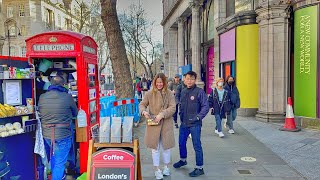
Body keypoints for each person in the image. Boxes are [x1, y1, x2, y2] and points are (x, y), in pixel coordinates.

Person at [39, 75, 78, 180]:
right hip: (63, 135)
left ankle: (54, 175)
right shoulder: (67, 97)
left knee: (54, 157)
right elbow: (75, 113)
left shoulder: (42, 97)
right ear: (63, 85)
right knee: (60, 162)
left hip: (46, 134)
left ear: (51, 84)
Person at [139, 73, 176, 180]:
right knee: (155, 148)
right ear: (155, 82)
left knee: (166, 147)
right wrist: (144, 112)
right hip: (153, 124)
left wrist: (162, 114)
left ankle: (166, 167)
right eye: (157, 82)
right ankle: (156, 169)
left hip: (166, 124)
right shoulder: (149, 93)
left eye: (161, 82)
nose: (159, 84)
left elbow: (173, 108)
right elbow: (142, 104)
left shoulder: (169, 94)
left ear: (164, 82)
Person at [173, 71, 209, 177]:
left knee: (197, 145)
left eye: (192, 79)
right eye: (187, 78)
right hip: (184, 123)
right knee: (181, 143)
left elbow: (205, 106)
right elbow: (180, 104)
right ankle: (183, 160)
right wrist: (180, 115)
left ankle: (199, 167)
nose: (189, 81)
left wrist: (198, 117)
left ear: (195, 80)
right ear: (184, 79)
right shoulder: (183, 91)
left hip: (195, 124)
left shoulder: (199, 92)